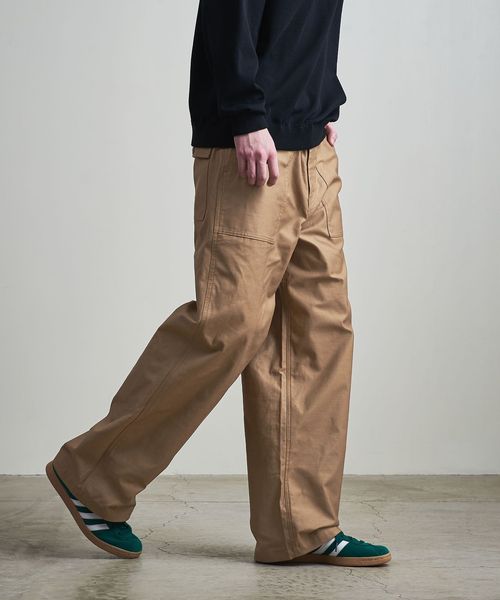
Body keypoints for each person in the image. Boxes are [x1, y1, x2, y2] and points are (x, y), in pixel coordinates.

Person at [46, 0, 392, 567]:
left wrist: (319, 102)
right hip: (251, 145)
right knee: (231, 322)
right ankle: (92, 476)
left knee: (320, 332)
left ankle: (300, 528)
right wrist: (245, 115)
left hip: (312, 146)